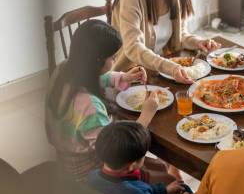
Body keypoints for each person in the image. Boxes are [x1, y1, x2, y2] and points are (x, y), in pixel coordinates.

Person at [45, 20, 159, 180]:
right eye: (113, 58)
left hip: (65, 156)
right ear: (96, 61)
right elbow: (116, 151)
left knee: (155, 167)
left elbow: (92, 77)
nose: (115, 61)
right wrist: (146, 115)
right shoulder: (90, 107)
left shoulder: (63, 69)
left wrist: (122, 77)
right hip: (89, 172)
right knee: (156, 174)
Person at [86, 121, 208, 194]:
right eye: (144, 156)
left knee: (183, 189)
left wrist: (164, 190)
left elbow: (140, 193)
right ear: (132, 166)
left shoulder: (93, 176)